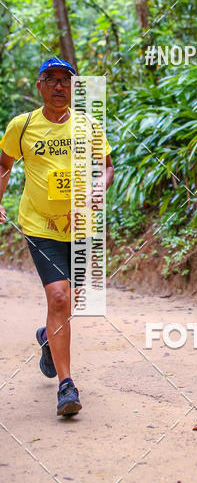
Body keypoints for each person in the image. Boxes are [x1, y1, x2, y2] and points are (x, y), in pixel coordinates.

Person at [0, 57, 114, 417]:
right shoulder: (22, 126)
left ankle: (48, 338)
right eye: (51, 79)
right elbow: (4, 164)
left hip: (80, 226)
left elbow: (107, 167)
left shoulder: (89, 126)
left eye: (66, 80)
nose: (59, 86)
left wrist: (99, 187)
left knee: (70, 301)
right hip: (40, 225)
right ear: (40, 87)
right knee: (59, 296)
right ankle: (67, 386)